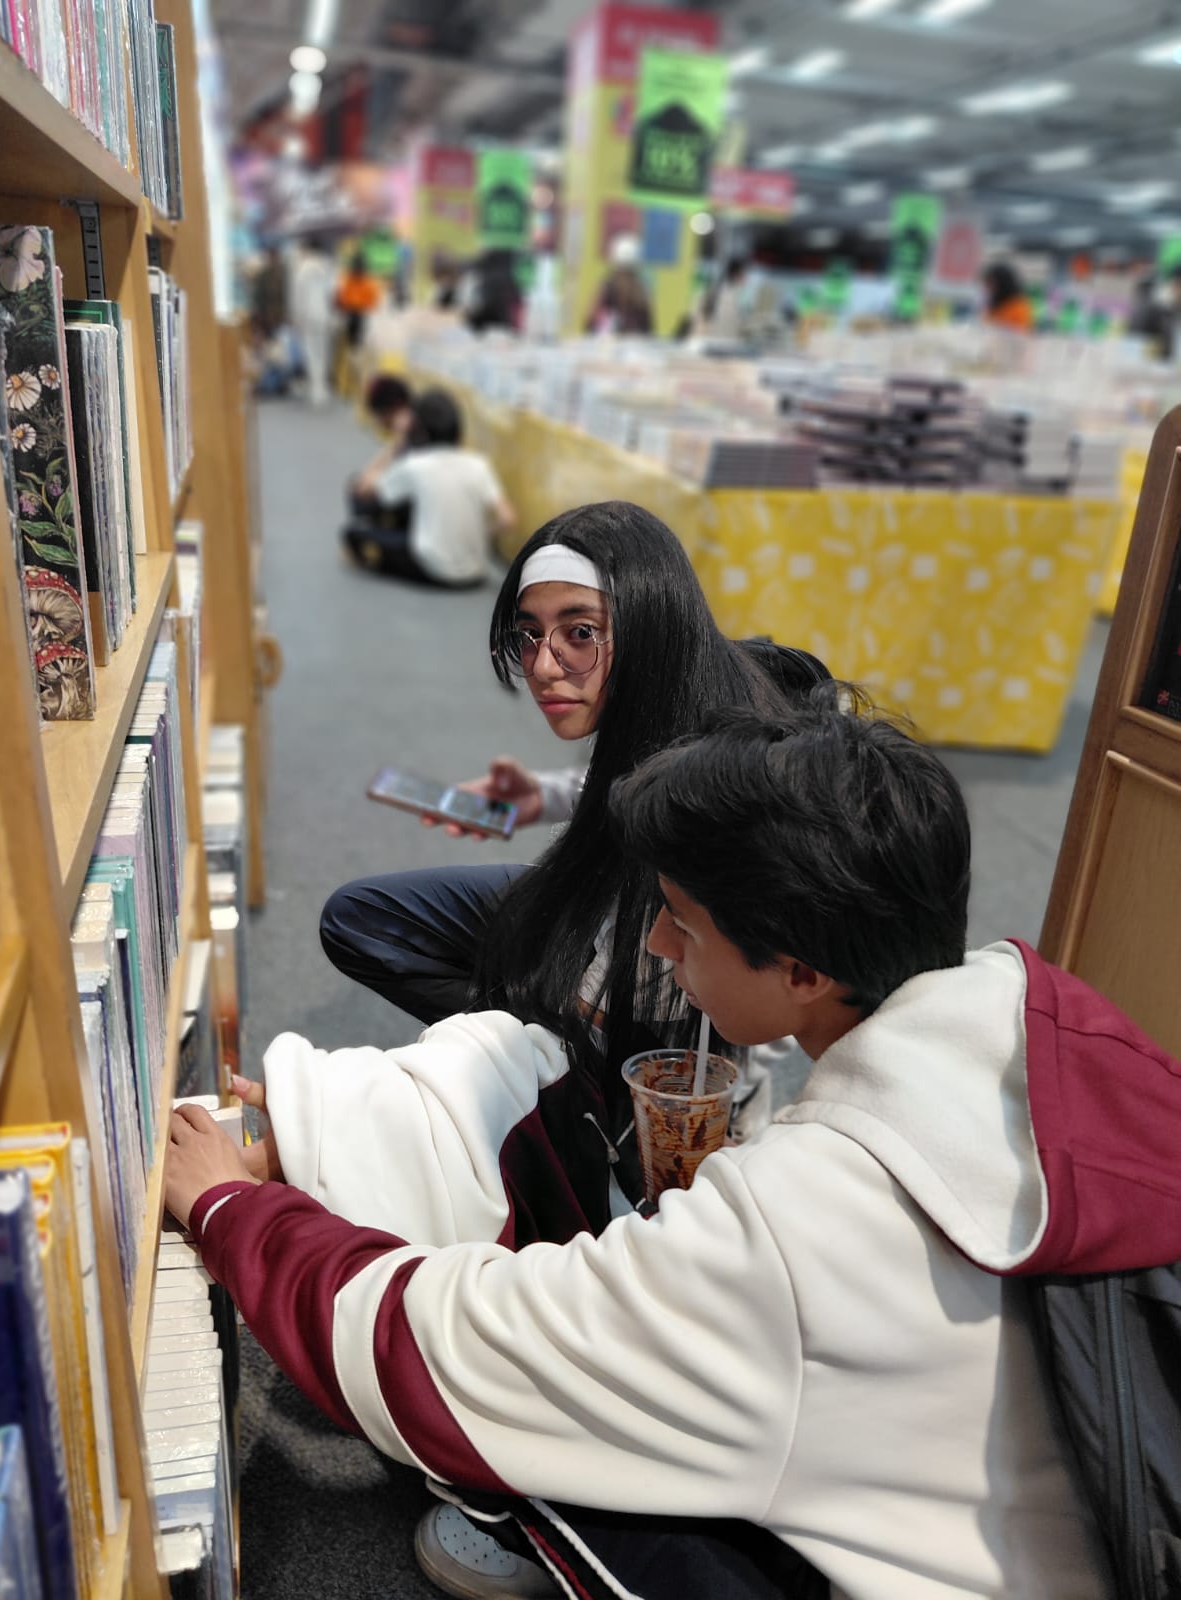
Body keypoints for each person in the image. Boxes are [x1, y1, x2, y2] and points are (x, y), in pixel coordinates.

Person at [164, 685, 1176, 1599]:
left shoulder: (793, 1231)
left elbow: (449, 1350)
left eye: (682, 924)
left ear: (801, 971)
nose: (654, 942)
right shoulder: (1048, 1013)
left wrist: (230, 1208)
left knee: (574, 1442)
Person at [322, 502, 828, 1213]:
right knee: (362, 919)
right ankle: (551, 1062)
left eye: (580, 633)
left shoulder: (728, 770)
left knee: (628, 1193)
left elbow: (782, 966)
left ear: (647, 620)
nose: (542, 666)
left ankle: (558, 1077)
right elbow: (625, 777)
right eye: (529, 634)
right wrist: (542, 797)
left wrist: (730, 1088)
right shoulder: (672, 685)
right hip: (611, 917)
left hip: (674, 1005)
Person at [342, 387, 514, 588]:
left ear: (418, 430)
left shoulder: (416, 465)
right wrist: (481, 535)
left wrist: (398, 442)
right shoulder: (479, 464)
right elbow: (507, 519)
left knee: (354, 532)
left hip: (432, 569)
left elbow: (361, 490)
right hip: (475, 571)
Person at [347, 373, 415, 513]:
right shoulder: (411, 420)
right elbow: (389, 454)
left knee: (359, 498)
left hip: (413, 496)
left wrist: (365, 482)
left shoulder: (406, 427)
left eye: (375, 415)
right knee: (358, 483)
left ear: (386, 411)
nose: (375, 422)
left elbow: (395, 473)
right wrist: (366, 477)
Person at [289, 238, 337, 407]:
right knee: (325, 352)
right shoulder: (328, 268)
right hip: (325, 316)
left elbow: (297, 296)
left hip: (308, 316)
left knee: (311, 353)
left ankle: (316, 389)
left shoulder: (301, 270)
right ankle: (323, 387)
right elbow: (333, 294)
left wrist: (296, 316)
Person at [587, 235, 654, 336]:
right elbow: (648, 326)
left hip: (611, 341)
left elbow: (592, 319)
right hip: (632, 341)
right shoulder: (640, 289)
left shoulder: (608, 286)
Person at [981, 259, 1035, 332]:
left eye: (990, 284)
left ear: (1002, 283)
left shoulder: (1019, 304)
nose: (987, 288)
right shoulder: (993, 303)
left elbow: (1022, 332)